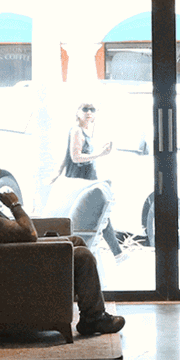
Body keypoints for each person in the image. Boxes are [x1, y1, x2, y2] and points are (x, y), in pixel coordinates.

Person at [0, 163, 125, 336]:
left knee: (76, 241)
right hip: (24, 269)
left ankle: (90, 309)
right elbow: (30, 234)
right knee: (82, 256)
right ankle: (93, 318)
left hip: (17, 258)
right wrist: (15, 205)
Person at [60, 102, 127, 261]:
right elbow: (75, 157)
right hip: (79, 181)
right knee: (97, 215)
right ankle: (117, 253)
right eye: (85, 109)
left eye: (92, 110)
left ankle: (117, 254)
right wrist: (100, 154)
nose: (89, 112)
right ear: (77, 112)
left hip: (87, 179)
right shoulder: (77, 131)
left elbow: (67, 157)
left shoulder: (89, 131)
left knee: (99, 215)